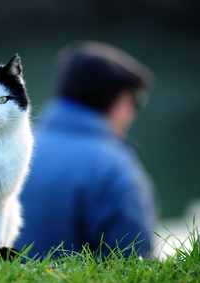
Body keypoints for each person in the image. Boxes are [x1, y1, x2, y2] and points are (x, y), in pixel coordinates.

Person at [15, 41, 158, 259]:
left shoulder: (7, 145)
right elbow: (137, 264)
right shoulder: (117, 171)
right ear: (122, 102)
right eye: (136, 102)